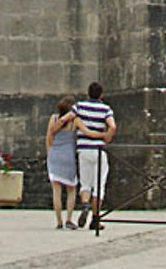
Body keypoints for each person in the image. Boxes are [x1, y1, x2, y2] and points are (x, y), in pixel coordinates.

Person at [73, 80, 115, 230]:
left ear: (88, 93)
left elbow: (69, 118)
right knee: (99, 186)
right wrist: (106, 136)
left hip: (83, 149)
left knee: (85, 183)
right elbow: (112, 126)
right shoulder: (105, 109)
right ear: (101, 95)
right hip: (98, 150)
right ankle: (95, 219)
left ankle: (85, 205)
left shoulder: (79, 106)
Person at [45, 95, 79, 228]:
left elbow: (48, 138)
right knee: (71, 189)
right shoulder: (74, 121)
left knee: (56, 190)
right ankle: (69, 219)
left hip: (54, 154)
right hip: (68, 155)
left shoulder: (53, 118)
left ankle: (58, 221)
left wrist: (50, 154)